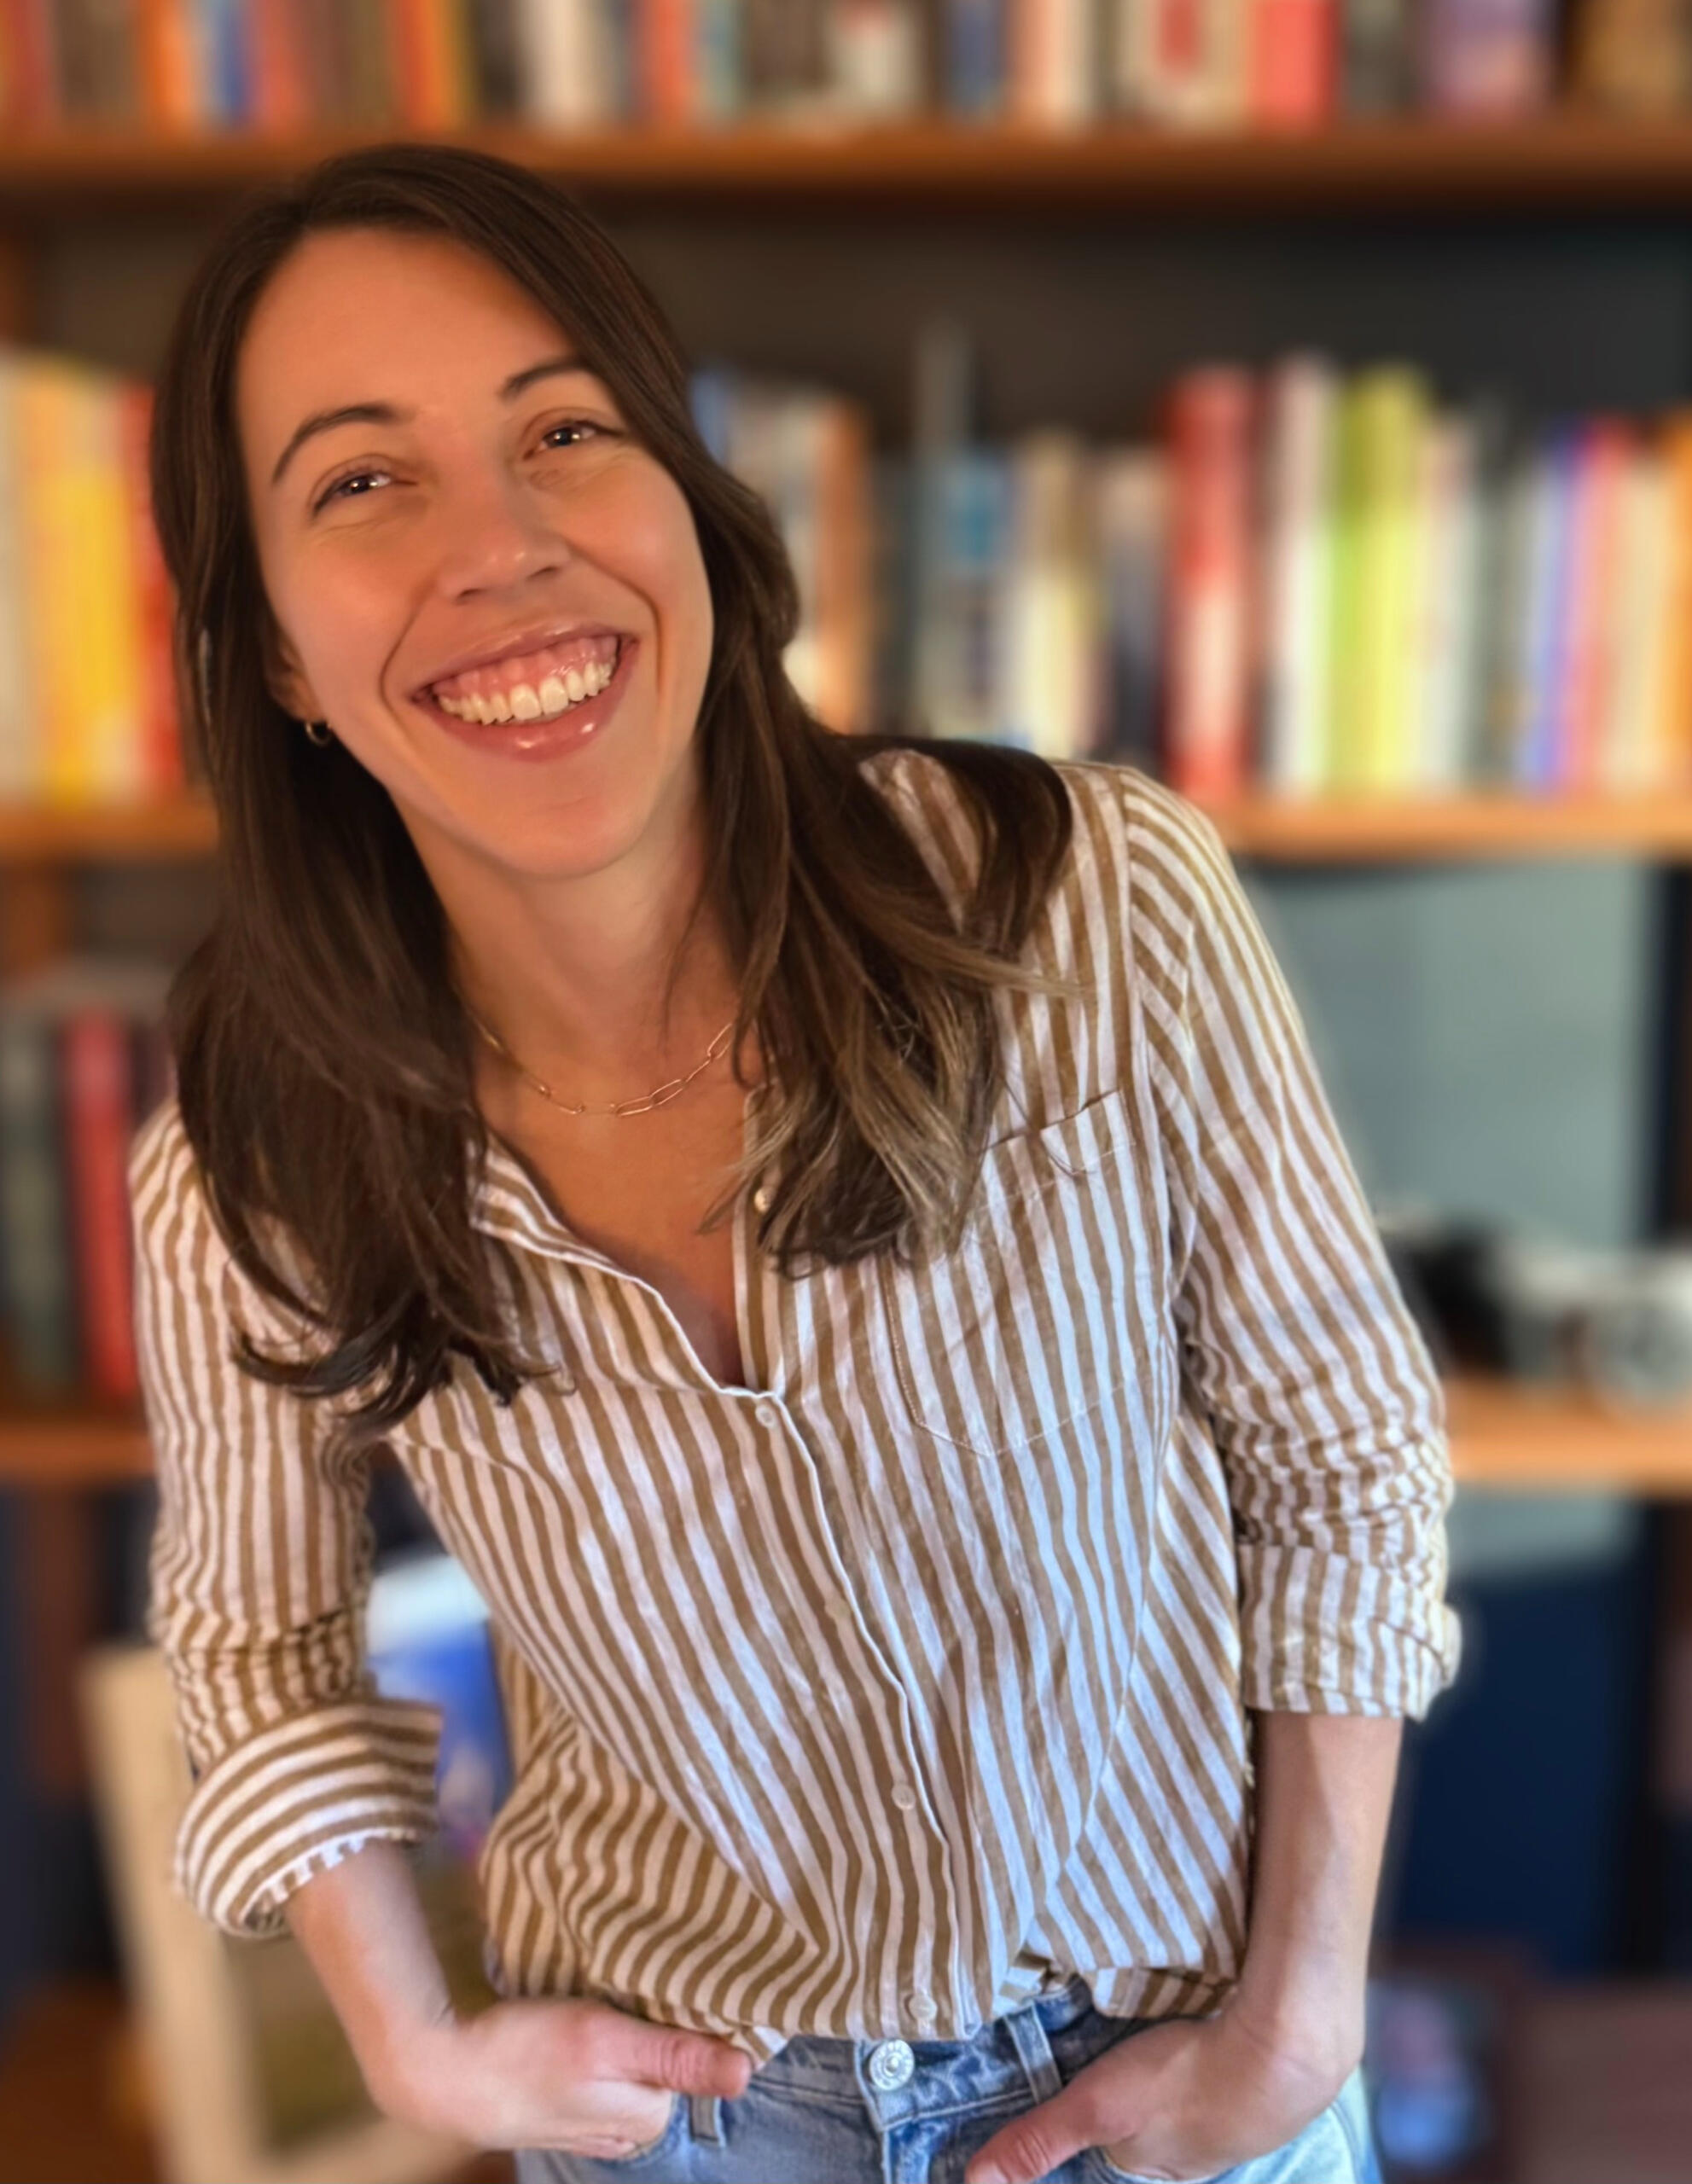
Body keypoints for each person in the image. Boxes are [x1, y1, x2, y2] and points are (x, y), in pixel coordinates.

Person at [129, 140, 1460, 2184]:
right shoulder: (263, 1153)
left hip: (1176, 2064)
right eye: (363, 479)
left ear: (686, 497)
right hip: (696, 2118)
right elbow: (255, 1647)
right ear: (281, 657)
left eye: (563, 430)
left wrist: (1299, 2011)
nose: (501, 547)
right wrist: (416, 2046)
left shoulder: (1082, 898)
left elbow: (1338, 1452)